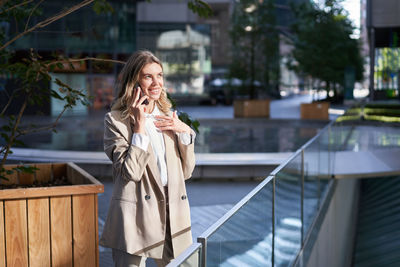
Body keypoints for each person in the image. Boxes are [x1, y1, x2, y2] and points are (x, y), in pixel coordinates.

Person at [100, 50, 196, 267]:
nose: (156, 83)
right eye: (148, 76)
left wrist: (185, 133)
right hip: (135, 216)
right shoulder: (115, 121)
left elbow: (186, 173)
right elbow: (131, 172)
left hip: (173, 213)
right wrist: (140, 127)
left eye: (159, 75)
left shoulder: (169, 116)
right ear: (134, 81)